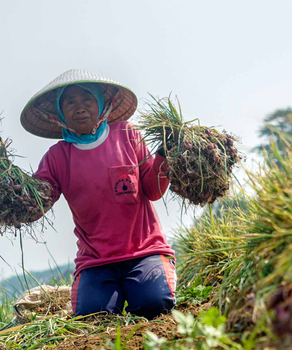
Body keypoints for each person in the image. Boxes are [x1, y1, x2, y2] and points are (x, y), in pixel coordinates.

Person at [20, 69, 176, 319]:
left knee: (154, 305)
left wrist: (164, 156)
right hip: (96, 261)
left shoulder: (127, 135)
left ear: (102, 104)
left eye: (87, 100)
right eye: (70, 102)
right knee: (93, 317)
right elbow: (34, 204)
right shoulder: (57, 157)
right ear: (59, 113)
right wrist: (5, 192)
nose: (79, 108)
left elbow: (153, 190)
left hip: (144, 252)